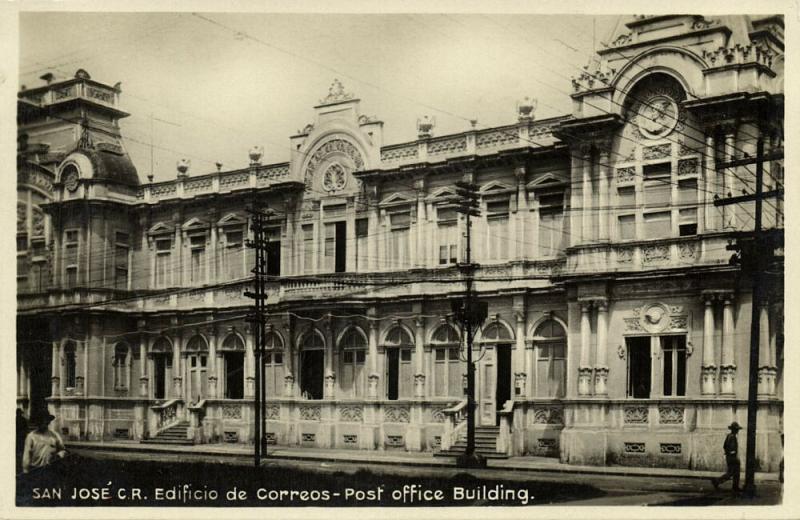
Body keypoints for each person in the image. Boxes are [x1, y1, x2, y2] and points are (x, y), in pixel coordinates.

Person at [711, 421, 741, 494]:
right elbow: (733, 449)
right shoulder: (733, 437)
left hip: (729, 457)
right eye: (737, 429)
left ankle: (735, 486)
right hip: (732, 457)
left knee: (733, 473)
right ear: (734, 430)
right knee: (732, 473)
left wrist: (727, 453)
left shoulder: (728, 436)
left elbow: (724, 446)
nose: (737, 431)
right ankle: (717, 481)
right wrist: (734, 455)